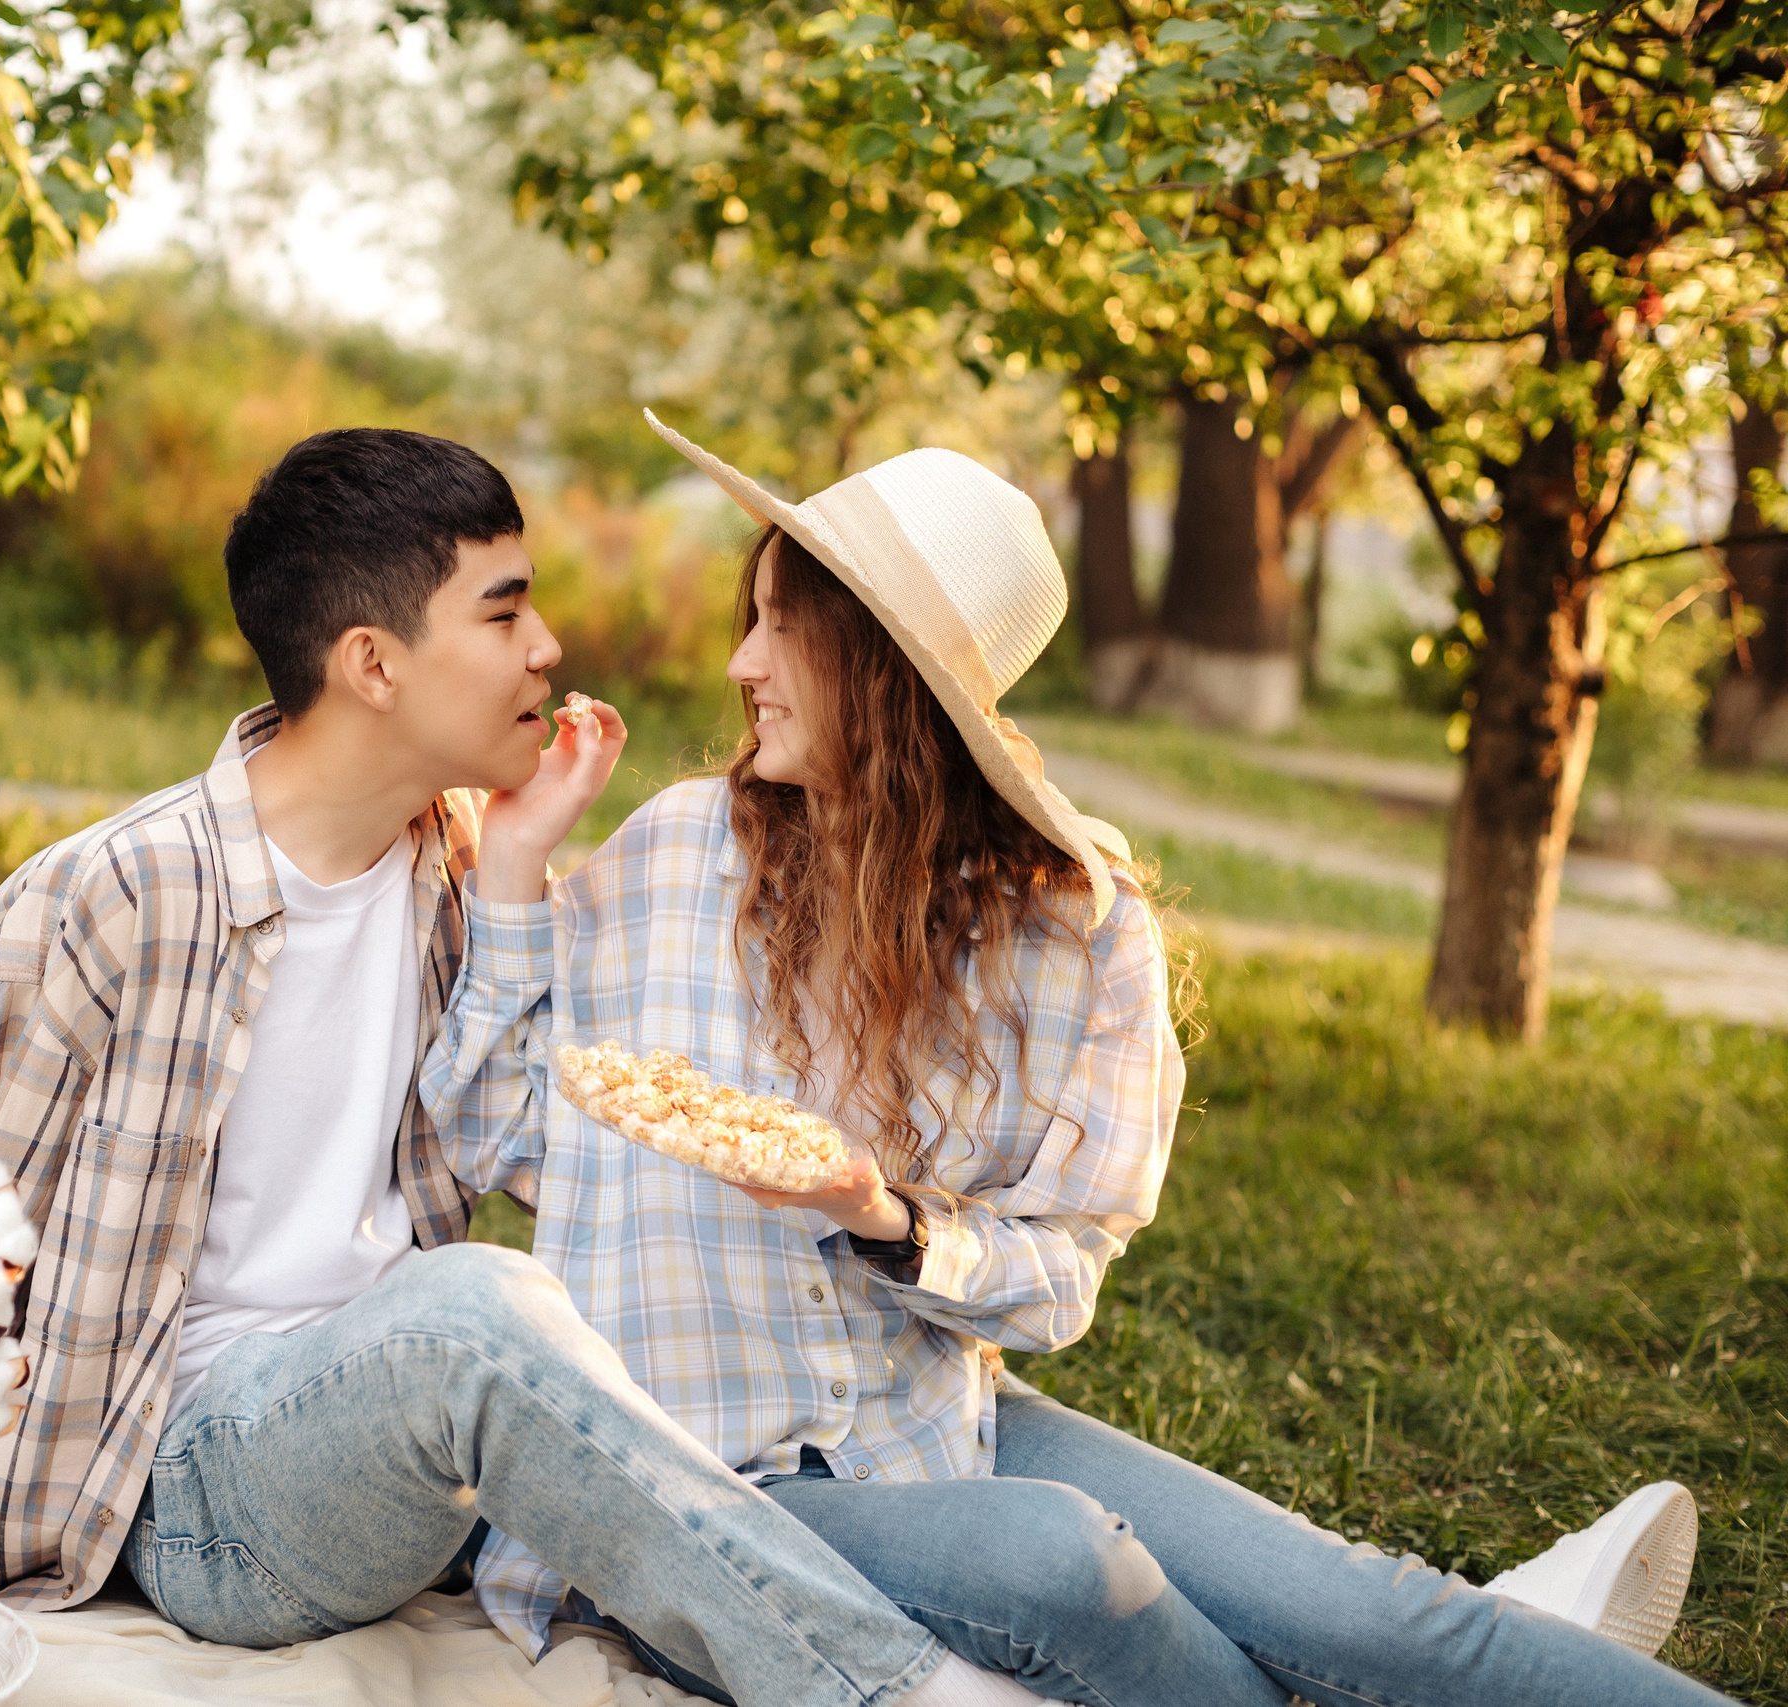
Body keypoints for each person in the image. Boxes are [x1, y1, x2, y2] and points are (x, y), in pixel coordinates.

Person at [0, 426, 1180, 1707]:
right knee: (475, 1303)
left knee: (480, 1320)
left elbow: (534, 1131)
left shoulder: (466, 872)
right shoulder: (116, 897)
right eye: (504, 610)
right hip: (194, 1492)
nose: (553, 647)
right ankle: (899, 1694)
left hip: (428, 1466)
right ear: (374, 664)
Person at [420, 409, 1728, 1707]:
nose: (742, 664)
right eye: (748, 617)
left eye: (781, 625)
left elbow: (1062, 1276)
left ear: (881, 667)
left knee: (1381, 1610)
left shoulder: (1070, 935)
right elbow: (502, 1140)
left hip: (926, 1435)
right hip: (695, 1485)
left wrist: (880, 1213)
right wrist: (522, 866)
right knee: (1063, 1563)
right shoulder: (674, 855)